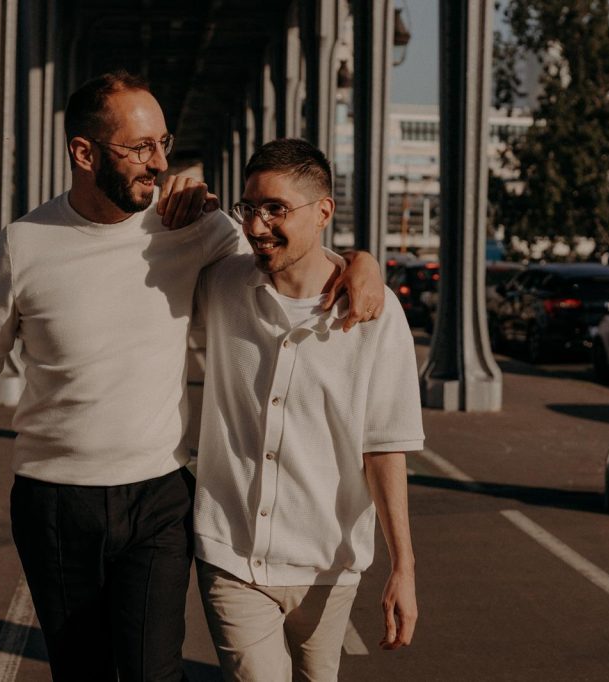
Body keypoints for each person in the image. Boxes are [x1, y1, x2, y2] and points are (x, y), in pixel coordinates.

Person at [0, 71, 385, 681]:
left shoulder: (196, 229)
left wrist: (363, 262)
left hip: (158, 497)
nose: (160, 163)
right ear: (83, 152)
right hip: (54, 500)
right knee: (82, 672)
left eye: (163, 143)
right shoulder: (25, 243)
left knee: (155, 672)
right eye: (140, 147)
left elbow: (288, 254)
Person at [193, 138, 423, 682]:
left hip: (328, 560)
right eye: (250, 208)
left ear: (323, 212)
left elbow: (384, 447)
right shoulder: (223, 286)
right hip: (232, 551)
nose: (256, 226)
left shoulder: (375, 313)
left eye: (276, 209)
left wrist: (403, 567)